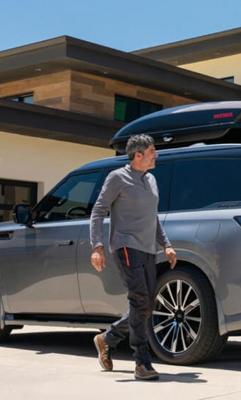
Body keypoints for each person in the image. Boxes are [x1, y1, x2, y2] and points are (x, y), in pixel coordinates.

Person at [89, 134, 177, 381]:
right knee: (140, 301)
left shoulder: (151, 180)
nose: (156, 154)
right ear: (138, 155)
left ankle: (107, 339)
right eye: (152, 151)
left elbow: (153, 217)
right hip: (126, 246)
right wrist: (97, 246)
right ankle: (142, 362)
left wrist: (166, 245)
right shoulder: (117, 177)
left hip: (149, 249)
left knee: (146, 305)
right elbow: (98, 212)